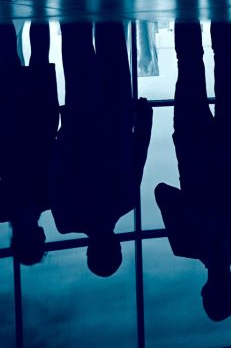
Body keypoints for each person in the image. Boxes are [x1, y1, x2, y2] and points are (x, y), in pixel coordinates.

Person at [154, 22, 231, 321]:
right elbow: (163, 193)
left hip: (229, 143)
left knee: (224, 63)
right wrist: (193, 209)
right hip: (195, 147)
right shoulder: (184, 243)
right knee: (194, 64)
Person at [50, 20, 153, 277]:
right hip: (82, 118)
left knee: (111, 41)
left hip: (116, 117)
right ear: (89, 250)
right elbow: (56, 167)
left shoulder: (126, 200)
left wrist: (144, 121)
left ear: (117, 246)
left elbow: (138, 154)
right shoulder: (66, 218)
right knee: (77, 46)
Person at [0, 20, 59, 265]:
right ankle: (4, 10)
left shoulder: (50, 198)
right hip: (13, 131)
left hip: (40, 129)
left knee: (36, 57)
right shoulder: (5, 208)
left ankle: (35, 7)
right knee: (9, 61)